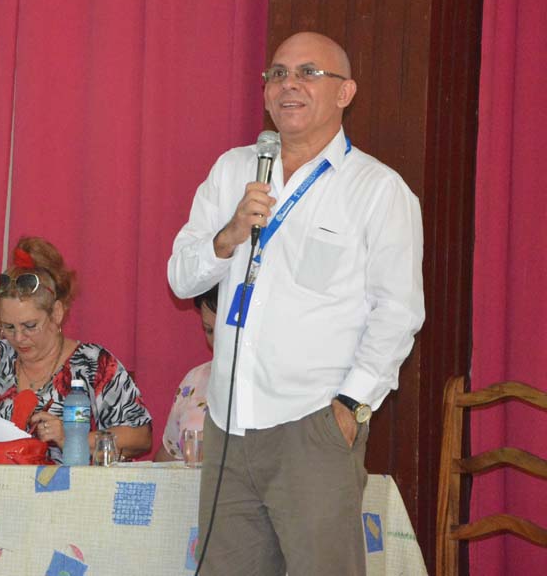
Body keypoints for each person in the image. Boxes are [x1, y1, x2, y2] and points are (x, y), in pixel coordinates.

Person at [167, 32, 424, 575]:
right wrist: (229, 234)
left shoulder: (378, 190)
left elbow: (398, 312)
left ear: (345, 93)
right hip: (230, 422)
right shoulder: (232, 171)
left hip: (314, 422)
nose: (289, 85)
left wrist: (352, 407)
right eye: (278, 74)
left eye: (309, 73)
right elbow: (182, 277)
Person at [0, 236, 152, 463]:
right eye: (8, 327)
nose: (18, 338)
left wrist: (75, 438)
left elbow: (140, 436)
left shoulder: (93, 363)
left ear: (56, 313)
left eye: (30, 326)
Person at [154, 286, 216, 462]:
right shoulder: (195, 379)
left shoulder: (271, 382)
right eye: (209, 330)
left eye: (224, 330)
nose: (217, 340)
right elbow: (169, 454)